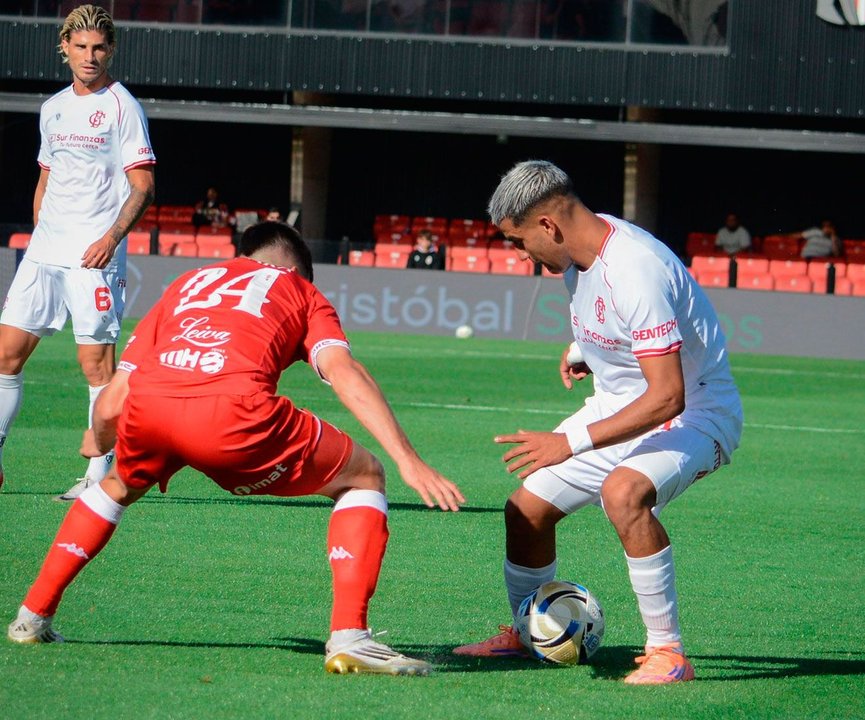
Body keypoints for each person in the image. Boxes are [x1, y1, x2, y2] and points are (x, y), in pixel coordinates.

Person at [7, 221, 466, 676]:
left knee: (116, 485)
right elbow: (342, 372)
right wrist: (409, 461)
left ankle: (33, 615)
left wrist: (101, 441)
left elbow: (112, 402)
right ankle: (350, 637)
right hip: (235, 416)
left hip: (152, 407)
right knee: (365, 475)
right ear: (296, 268)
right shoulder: (301, 291)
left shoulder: (186, 284)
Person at [452, 161, 742, 685]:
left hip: (697, 412)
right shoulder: (578, 249)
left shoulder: (636, 268)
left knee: (624, 493)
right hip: (623, 404)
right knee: (525, 511)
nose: (520, 255)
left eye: (518, 242)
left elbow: (668, 396)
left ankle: (668, 653)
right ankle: (527, 631)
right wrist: (582, 348)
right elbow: (613, 317)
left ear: (548, 227)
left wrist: (571, 441)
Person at [0, 4, 156, 499]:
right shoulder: (52, 108)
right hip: (44, 252)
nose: (90, 56)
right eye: (81, 47)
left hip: (94, 256)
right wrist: (41, 228)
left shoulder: (121, 106)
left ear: (111, 50)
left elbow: (143, 184)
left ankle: (99, 475)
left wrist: (109, 240)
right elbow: (46, 175)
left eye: (100, 48)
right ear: (64, 47)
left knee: (95, 365)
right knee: (5, 356)